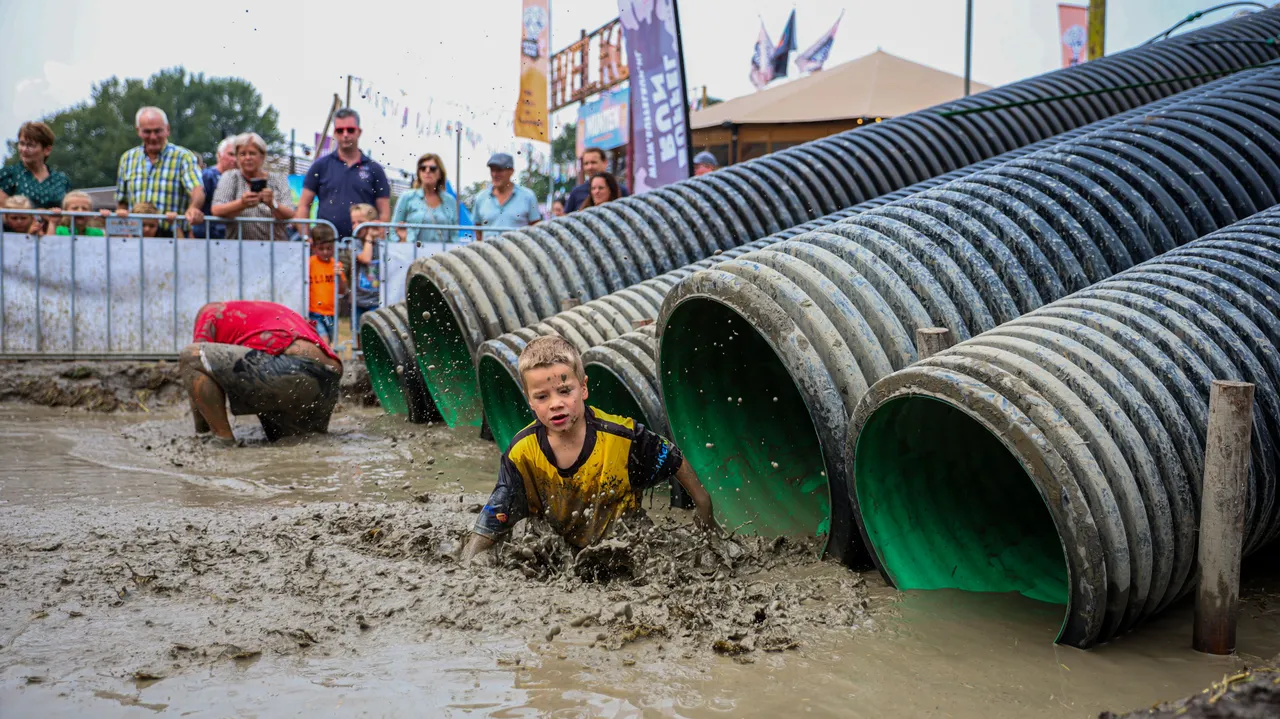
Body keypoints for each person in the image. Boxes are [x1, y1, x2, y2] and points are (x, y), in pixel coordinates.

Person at [461, 335, 716, 560]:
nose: (556, 404)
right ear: (530, 401)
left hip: (624, 549)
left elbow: (672, 457)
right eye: (542, 396)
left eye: (564, 391)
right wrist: (468, 565)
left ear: (583, 388)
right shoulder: (522, 453)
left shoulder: (622, 437)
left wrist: (704, 509)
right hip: (557, 555)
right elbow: (494, 519)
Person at [179, 300, 343, 444]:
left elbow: (199, 369)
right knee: (295, 442)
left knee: (191, 357)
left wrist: (202, 432)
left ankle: (223, 442)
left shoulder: (209, 312)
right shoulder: (268, 312)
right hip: (329, 376)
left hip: (291, 366)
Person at [294, 108, 390, 239]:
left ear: (359, 132)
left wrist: (377, 238)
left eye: (350, 130)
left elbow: (384, 212)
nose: (345, 134)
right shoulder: (320, 166)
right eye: (340, 130)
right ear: (334, 133)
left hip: (362, 247)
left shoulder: (375, 169)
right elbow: (304, 205)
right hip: (325, 245)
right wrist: (306, 238)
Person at [115, 107, 205, 237]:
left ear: (167, 129)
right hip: (136, 236)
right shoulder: (127, 159)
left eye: (158, 131)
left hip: (173, 236)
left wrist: (194, 208)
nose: (153, 137)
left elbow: (197, 189)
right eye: (147, 132)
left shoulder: (183, 157)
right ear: (138, 131)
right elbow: (122, 201)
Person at [211, 132, 296, 241]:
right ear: (237, 157)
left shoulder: (278, 179)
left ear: (262, 156)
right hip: (238, 248)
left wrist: (272, 203)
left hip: (274, 248)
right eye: (242, 154)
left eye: (252, 153)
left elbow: (290, 213)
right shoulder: (230, 177)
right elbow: (216, 209)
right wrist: (241, 204)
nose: (247, 158)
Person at [0, 121, 71, 209]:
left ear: (47, 150)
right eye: (22, 144)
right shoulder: (8, 175)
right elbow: (3, 213)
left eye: (31, 145)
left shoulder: (61, 179)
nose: (24, 149)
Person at [471, 152, 541, 241]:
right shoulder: (480, 198)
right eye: (492, 170)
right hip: (489, 252)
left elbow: (535, 230)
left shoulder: (528, 196)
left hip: (518, 252)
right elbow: (478, 231)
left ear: (511, 171)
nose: (495, 174)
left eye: (499, 170)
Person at [392, 152, 457, 245]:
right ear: (419, 173)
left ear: (440, 174)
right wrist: (403, 242)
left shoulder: (450, 201)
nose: (427, 171)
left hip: (442, 256)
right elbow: (393, 230)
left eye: (432, 168)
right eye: (423, 168)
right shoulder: (407, 197)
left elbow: (454, 236)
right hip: (413, 254)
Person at [349, 203, 385, 332]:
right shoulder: (354, 243)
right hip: (359, 301)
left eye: (360, 222)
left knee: (374, 334)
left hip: (377, 301)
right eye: (353, 223)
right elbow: (365, 258)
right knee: (359, 335)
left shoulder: (382, 244)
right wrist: (369, 237)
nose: (356, 226)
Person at [193, 137, 237, 239]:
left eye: (238, 155)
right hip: (207, 236)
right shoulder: (208, 176)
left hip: (230, 236)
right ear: (219, 155)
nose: (234, 159)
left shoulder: (241, 180)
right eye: (230, 154)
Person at [308, 224, 346, 340]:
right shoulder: (309, 263)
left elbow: (342, 290)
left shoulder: (337, 265)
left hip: (331, 313)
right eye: (321, 249)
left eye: (329, 248)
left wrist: (339, 276)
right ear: (314, 247)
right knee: (323, 338)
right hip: (314, 312)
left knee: (328, 341)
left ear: (334, 247)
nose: (325, 252)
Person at [564, 147, 629, 212]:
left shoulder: (620, 190)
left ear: (605, 163)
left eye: (593, 162)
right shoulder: (576, 192)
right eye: (586, 163)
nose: (590, 167)